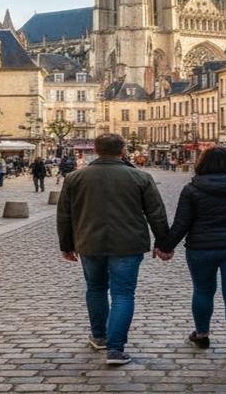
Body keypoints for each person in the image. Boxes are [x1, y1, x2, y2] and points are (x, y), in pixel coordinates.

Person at [57, 133, 169, 366]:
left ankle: (99, 336)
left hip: (89, 242)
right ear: (123, 150)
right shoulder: (140, 177)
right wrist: (163, 242)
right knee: (123, 294)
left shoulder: (75, 177)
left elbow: (64, 215)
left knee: (95, 289)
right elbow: (156, 213)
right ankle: (115, 349)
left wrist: (66, 245)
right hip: (128, 244)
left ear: (96, 150)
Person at [155, 146, 226, 363]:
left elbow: (182, 223)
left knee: (203, 291)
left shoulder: (191, 189)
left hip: (201, 248)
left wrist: (166, 246)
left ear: (202, 164)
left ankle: (202, 335)